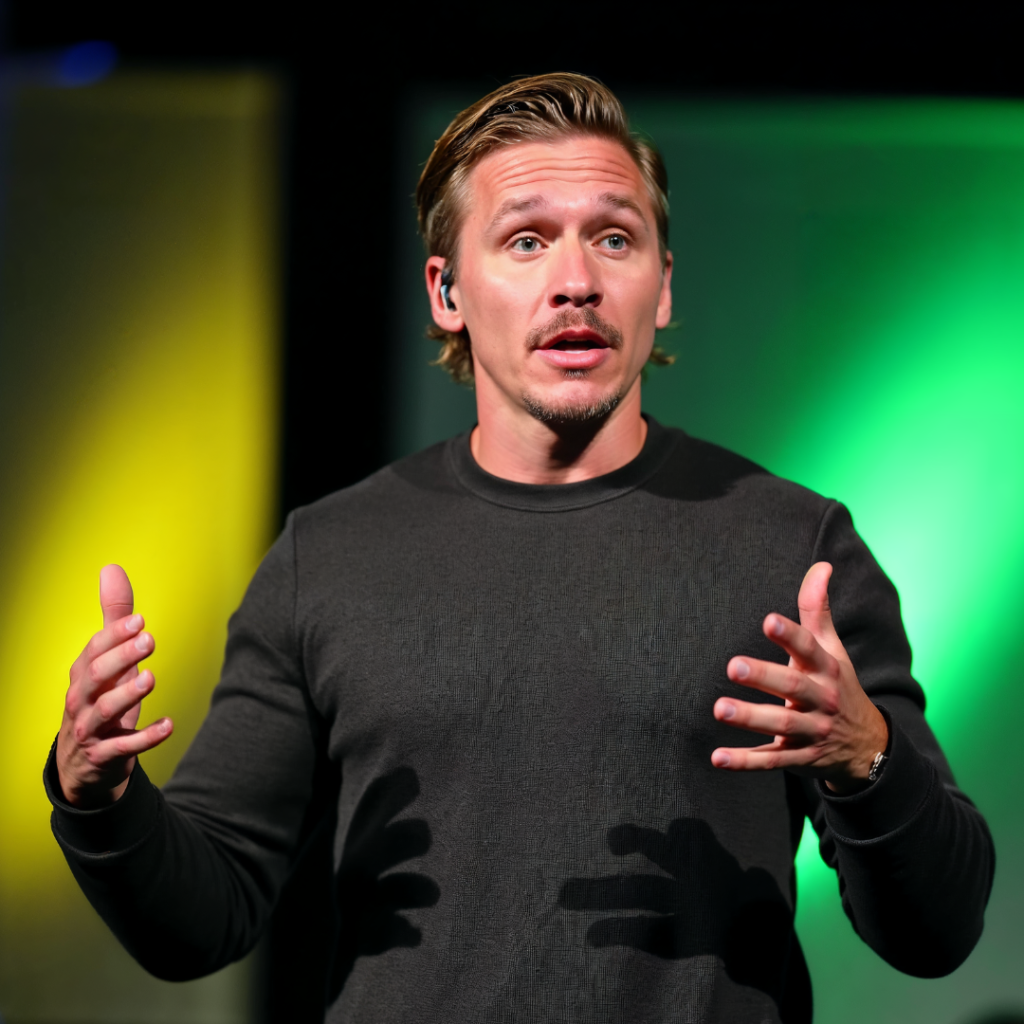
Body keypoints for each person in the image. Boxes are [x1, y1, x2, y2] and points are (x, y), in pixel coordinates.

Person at [46, 73, 993, 1024]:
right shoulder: (327, 557)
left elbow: (937, 932)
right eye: (527, 240)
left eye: (614, 238)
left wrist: (868, 759)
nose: (576, 280)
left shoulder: (796, 548)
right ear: (447, 290)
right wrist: (99, 798)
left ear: (663, 286)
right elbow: (200, 920)